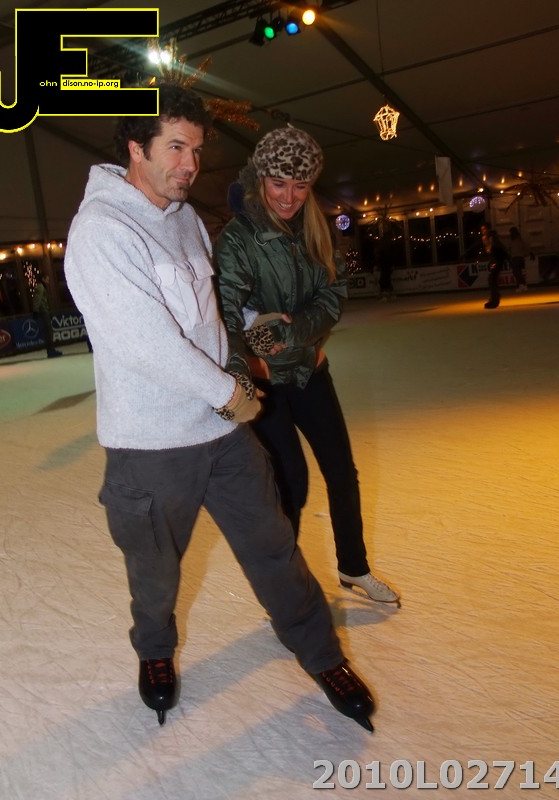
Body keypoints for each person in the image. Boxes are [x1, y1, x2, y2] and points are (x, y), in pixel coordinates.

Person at [64, 84, 375, 732]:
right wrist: (232, 391)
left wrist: (238, 370)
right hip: (150, 445)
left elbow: (212, 319)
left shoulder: (182, 218)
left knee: (274, 548)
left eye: (198, 150)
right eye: (176, 147)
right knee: (154, 571)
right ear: (136, 147)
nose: (190, 164)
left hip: (220, 433)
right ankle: (155, 652)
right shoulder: (101, 231)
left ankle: (322, 656)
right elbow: (144, 340)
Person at [214, 125, 400, 607]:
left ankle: (353, 566)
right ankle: (285, 588)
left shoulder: (316, 228)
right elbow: (226, 313)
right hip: (267, 383)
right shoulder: (238, 238)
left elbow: (332, 295)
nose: (289, 197)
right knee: (290, 483)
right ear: (260, 178)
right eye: (279, 183)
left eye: (300, 186)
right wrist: (243, 366)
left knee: (342, 473)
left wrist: (293, 330)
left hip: (311, 370)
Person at [32, 273, 63, 358]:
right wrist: (35, 310)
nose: (48, 281)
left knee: (49, 331)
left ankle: (51, 349)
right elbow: (37, 299)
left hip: (45, 311)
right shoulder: (40, 287)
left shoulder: (42, 287)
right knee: (48, 331)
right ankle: (50, 350)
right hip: (43, 312)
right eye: (47, 279)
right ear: (43, 279)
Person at [481, 226, 508, 309]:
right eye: (482, 229)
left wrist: (495, 261)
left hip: (498, 261)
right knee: (492, 280)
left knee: (492, 279)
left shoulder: (492, 238)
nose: (483, 231)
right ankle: (494, 298)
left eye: (485, 229)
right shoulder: (487, 239)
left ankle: (494, 299)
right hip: (496, 261)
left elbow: (498, 250)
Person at [508, 226, 530, 293]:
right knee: (518, 273)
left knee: (516, 273)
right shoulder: (520, 240)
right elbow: (525, 247)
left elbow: (510, 249)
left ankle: (522, 285)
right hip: (520, 257)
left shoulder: (512, 241)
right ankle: (523, 286)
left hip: (515, 258)